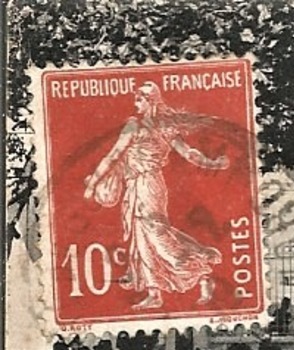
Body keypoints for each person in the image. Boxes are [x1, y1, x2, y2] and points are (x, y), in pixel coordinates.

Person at [81, 81, 228, 311]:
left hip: (146, 185)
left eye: (139, 100)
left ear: (150, 101)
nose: (135, 104)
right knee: (145, 236)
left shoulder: (135, 126)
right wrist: (213, 163)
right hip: (144, 185)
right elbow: (189, 154)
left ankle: (199, 271)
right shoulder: (165, 127)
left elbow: (112, 156)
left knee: (155, 235)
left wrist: (92, 186)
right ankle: (156, 292)